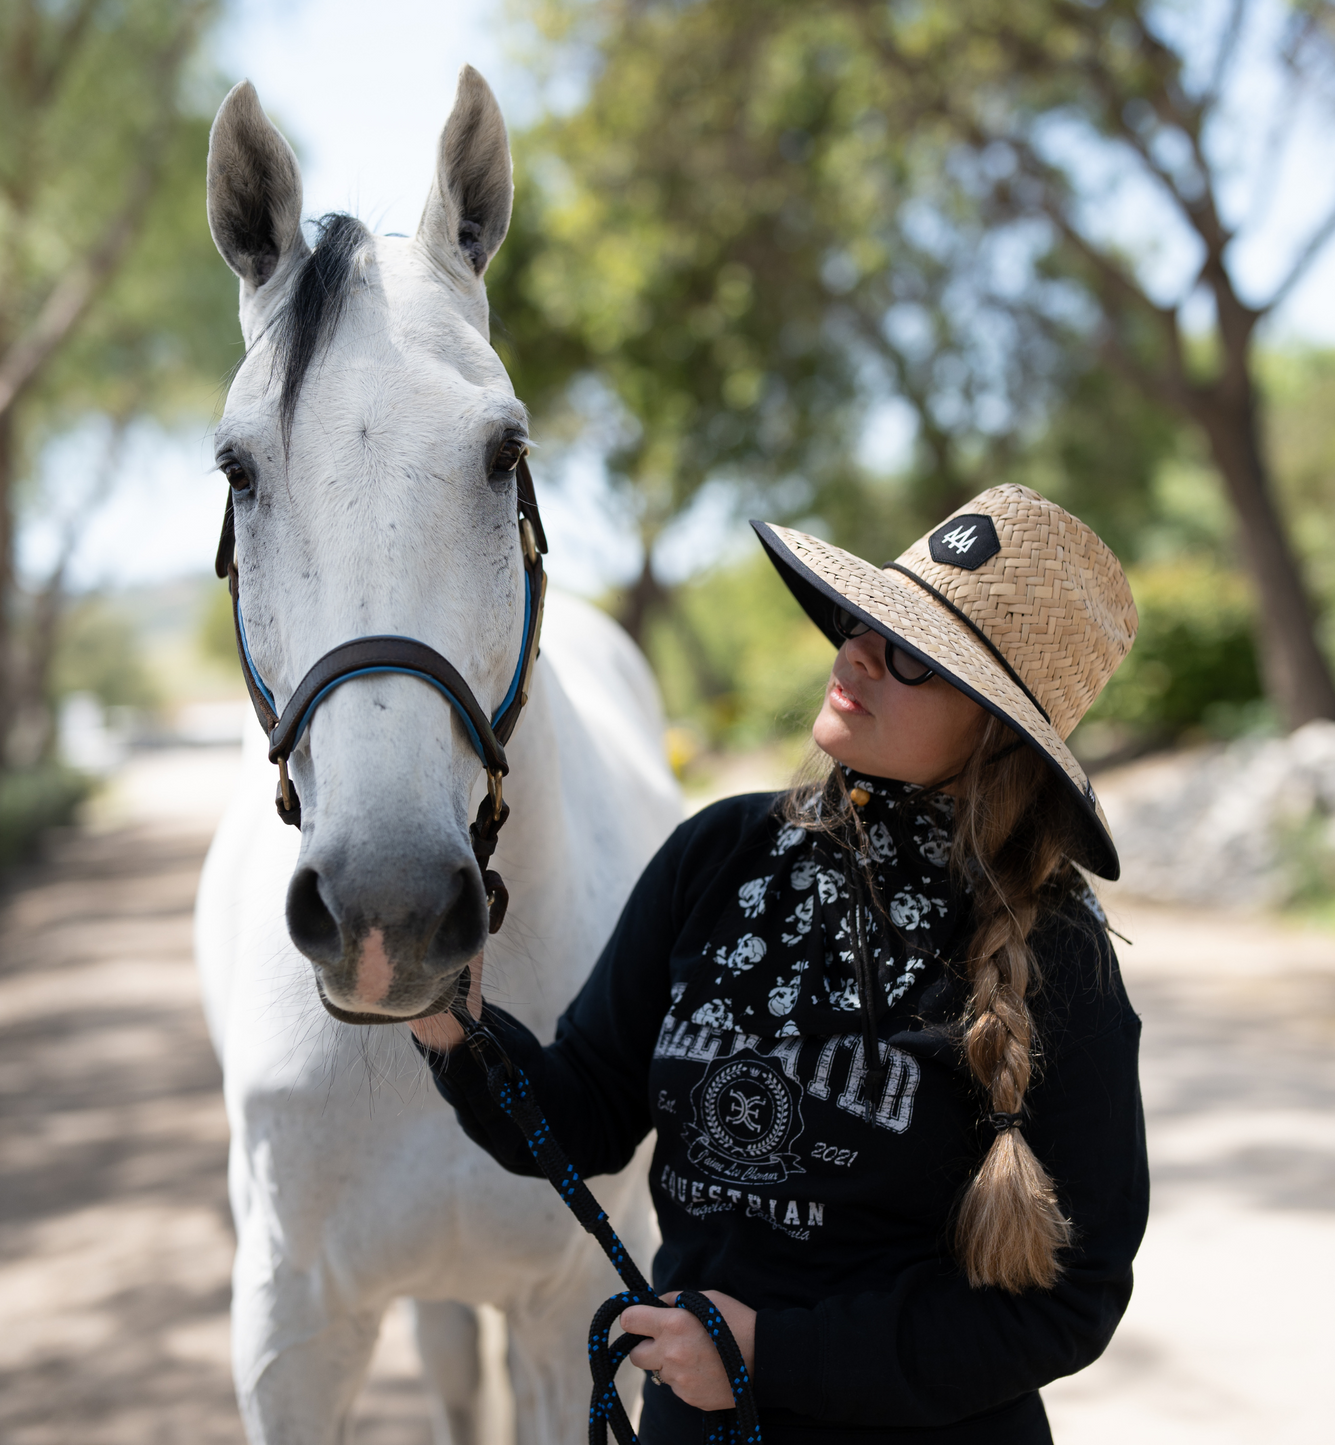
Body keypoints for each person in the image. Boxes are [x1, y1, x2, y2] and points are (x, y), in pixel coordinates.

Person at [412, 483, 1149, 1444]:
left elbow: (1068, 1297)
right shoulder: (715, 853)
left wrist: (771, 1355)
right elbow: (584, 1115)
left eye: (912, 657)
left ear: (996, 727)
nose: (856, 653)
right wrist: (449, 1026)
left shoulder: (1056, 949)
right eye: (863, 623)